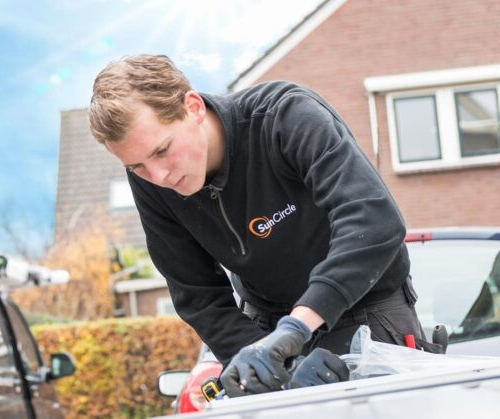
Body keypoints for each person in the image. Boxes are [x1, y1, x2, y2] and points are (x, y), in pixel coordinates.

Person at [88, 55, 441, 396]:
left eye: (162, 150)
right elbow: (196, 293)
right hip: (264, 326)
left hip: (367, 309)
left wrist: (297, 326)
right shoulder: (151, 180)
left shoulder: (284, 117)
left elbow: (374, 220)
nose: (158, 175)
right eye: (137, 167)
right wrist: (263, 358)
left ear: (192, 107)